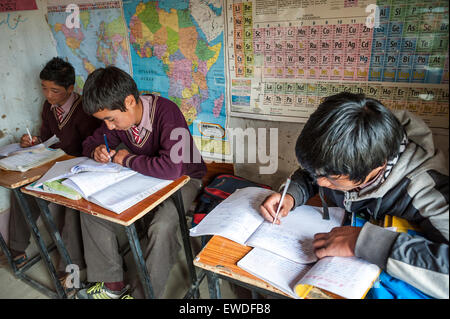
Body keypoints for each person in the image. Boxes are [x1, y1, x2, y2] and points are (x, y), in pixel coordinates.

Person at [260, 92, 448, 299]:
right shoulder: (352, 148)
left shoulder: (429, 191)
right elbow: (313, 174)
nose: (320, 182)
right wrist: (292, 195)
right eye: (317, 174)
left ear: (377, 167)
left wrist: (366, 242)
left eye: (331, 179)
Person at [76, 66, 206, 299]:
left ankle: (144, 295)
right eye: (104, 121)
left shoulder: (167, 113)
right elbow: (90, 142)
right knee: (90, 209)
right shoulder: (119, 120)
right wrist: (96, 150)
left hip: (185, 179)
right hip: (144, 178)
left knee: (162, 225)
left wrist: (127, 159)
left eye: (110, 119)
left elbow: (171, 168)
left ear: (129, 102)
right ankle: (112, 283)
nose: (109, 127)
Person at [8, 57, 101, 279]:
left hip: (77, 168)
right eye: (44, 89)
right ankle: (16, 248)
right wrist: (34, 142)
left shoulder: (84, 110)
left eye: (55, 90)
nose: (48, 95)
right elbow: (48, 138)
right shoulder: (49, 108)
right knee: (21, 192)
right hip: (52, 163)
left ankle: (70, 266)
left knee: (63, 207)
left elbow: (90, 148)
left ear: (70, 88)